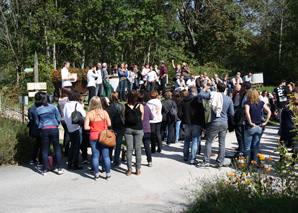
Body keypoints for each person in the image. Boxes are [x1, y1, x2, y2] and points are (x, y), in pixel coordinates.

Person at [197, 82, 234, 169]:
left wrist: (206, 86)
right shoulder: (229, 99)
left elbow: (201, 94)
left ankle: (206, 161)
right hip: (224, 122)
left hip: (215, 121)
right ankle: (219, 162)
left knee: (209, 141)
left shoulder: (213, 96)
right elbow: (232, 113)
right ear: (225, 89)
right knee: (222, 143)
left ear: (217, 89)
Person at [84, 96, 112, 181]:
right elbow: (109, 124)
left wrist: (93, 128)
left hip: (93, 136)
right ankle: (108, 174)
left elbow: (86, 127)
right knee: (106, 156)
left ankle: (96, 174)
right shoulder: (104, 112)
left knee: (95, 156)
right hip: (103, 136)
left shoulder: (89, 114)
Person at [35, 92, 63, 176]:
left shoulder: (38, 109)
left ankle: (44, 170)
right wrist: (56, 124)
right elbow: (58, 118)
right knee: (57, 148)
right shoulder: (53, 107)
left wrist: (41, 126)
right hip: (54, 128)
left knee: (44, 150)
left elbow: (37, 122)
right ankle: (60, 168)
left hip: (44, 129)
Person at [244, 89, 271, 165]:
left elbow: (247, 112)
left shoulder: (247, 103)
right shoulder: (261, 103)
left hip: (250, 126)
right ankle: (255, 164)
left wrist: (250, 122)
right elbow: (269, 111)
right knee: (256, 146)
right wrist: (265, 122)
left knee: (247, 147)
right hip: (259, 126)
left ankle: (247, 164)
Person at [178, 87, 205, 165]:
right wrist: (203, 125)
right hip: (196, 123)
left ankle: (186, 156)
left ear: (189, 91)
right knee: (194, 140)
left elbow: (179, 114)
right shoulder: (198, 100)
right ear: (196, 91)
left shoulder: (183, 101)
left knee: (186, 140)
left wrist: (183, 119)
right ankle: (193, 158)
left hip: (186, 122)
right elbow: (202, 114)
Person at [123, 90, 144, 176]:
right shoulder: (140, 106)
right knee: (138, 149)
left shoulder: (125, 106)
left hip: (128, 129)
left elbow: (124, 118)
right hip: (138, 128)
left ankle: (129, 169)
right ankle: (138, 169)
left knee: (129, 149)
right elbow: (142, 118)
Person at [64, 90, 86, 170]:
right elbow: (83, 115)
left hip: (69, 127)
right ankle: (75, 163)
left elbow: (65, 116)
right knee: (76, 146)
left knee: (72, 145)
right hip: (76, 127)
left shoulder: (66, 104)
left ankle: (69, 162)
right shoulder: (78, 104)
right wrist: (82, 108)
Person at [280, 92, 298, 159]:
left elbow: (282, 117)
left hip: (286, 128)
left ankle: (282, 159)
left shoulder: (286, 108)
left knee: (283, 144)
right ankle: (293, 160)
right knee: (295, 146)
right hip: (295, 129)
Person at [109, 92, 125, 167]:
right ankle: (116, 160)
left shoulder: (108, 106)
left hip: (111, 126)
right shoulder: (121, 106)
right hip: (120, 126)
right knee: (118, 145)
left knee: (110, 144)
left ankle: (108, 159)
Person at [138, 93, 153, 167]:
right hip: (147, 128)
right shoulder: (147, 107)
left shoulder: (137, 107)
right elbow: (151, 117)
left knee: (138, 146)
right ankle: (149, 160)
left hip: (139, 128)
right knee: (147, 145)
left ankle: (138, 161)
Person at [28, 92, 43, 166]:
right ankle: (41, 161)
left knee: (37, 144)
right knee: (42, 145)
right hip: (42, 128)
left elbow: (30, 118)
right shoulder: (42, 108)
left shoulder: (31, 108)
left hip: (34, 128)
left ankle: (33, 159)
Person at [57, 87, 71, 157]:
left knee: (66, 134)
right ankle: (67, 150)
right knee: (68, 135)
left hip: (62, 119)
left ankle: (65, 148)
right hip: (68, 119)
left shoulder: (59, 100)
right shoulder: (67, 100)